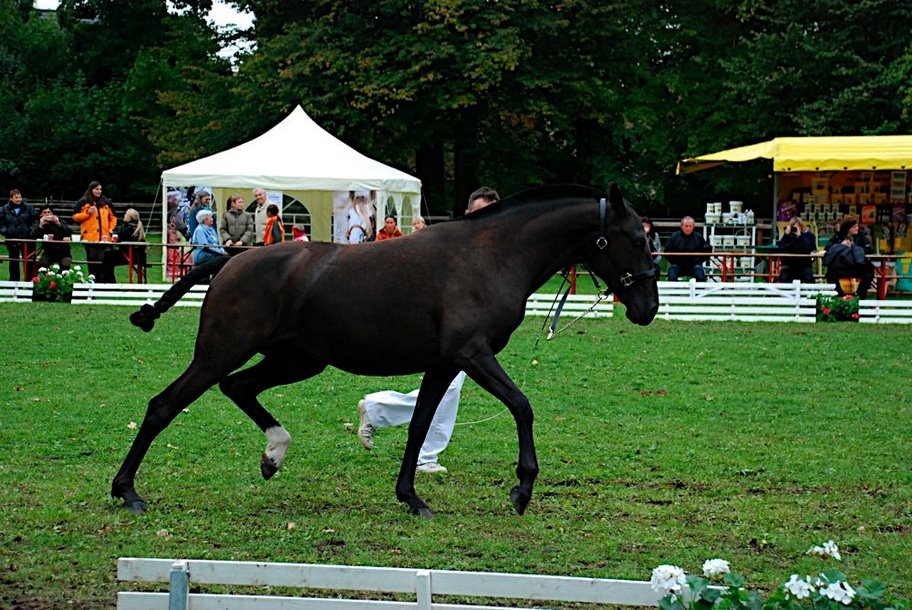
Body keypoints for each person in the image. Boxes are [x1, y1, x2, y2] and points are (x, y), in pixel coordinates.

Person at [357, 186, 499, 474]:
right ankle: (419, 450)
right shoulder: (454, 244)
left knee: (449, 387)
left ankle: (379, 412)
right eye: (480, 214)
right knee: (447, 388)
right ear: (468, 214)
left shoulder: (488, 249)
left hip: (462, 330)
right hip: (433, 327)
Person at [72, 181, 117, 282]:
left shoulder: (106, 202)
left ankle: (103, 282)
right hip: (90, 237)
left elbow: (113, 217)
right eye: (96, 189)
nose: (99, 191)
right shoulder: (83, 202)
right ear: (91, 190)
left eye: (100, 189)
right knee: (92, 261)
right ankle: (93, 281)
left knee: (103, 260)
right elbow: (75, 217)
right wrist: (87, 213)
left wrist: (111, 228)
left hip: (104, 238)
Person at [824, 216, 875, 298]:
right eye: (854, 227)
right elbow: (828, 248)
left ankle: (860, 297)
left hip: (857, 266)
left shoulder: (861, 237)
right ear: (848, 228)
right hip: (840, 267)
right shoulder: (837, 237)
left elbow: (869, 250)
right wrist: (841, 246)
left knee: (868, 273)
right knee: (830, 274)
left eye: (857, 226)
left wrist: (854, 247)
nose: (857, 228)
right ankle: (839, 296)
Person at [0, 189, 39, 281]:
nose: (18, 199)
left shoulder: (29, 208)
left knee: (29, 261)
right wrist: (7, 231)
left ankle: (29, 281)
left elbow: (35, 220)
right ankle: (14, 281)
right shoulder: (4, 209)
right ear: (11, 198)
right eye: (16, 197)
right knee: (13, 261)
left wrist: (30, 232)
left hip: (27, 239)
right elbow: (1, 223)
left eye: (20, 197)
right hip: (12, 238)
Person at [101, 208, 147, 282]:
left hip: (131, 255)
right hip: (136, 255)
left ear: (130, 217)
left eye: (126, 214)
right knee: (108, 256)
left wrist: (114, 237)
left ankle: (109, 282)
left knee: (108, 256)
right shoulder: (133, 227)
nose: (124, 216)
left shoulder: (129, 228)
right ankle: (109, 281)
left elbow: (123, 239)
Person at [664, 215, 710, 281]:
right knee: (672, 276)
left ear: (693, 226)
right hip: (677, 265)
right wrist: (674, 261)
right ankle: (673, 291)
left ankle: (700, 291)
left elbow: (706, 252)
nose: (688, 228)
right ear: (681, 226)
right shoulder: (674, 237)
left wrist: (699, 261)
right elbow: (667, 251)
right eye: (686, 226)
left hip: (694, 265)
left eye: (690, 226)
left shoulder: (699, 237)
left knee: (700, 276)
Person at [30, 204, 72, 271]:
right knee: (42, 265)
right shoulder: (39, 223)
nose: (47, 214)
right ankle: (45, 279)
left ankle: (61, 279)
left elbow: (69, 232)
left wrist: (58, 224)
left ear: (52, 214)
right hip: (48, 252)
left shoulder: (60, 221)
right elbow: (32, 235)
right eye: (44, 212)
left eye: (49, 212)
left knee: (65, 265)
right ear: (41, 215)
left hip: (64, 252)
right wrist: (40, 226)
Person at [777, 216, 817, 284]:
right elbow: (781, 248)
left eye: (798, 226)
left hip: (804, 265)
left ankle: (810, 294)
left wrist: (800, 236)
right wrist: (786, 235)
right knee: (784, 276)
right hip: (789, 265)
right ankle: (785, 294)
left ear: (801, 227)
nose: (795, 228)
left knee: (809, 277)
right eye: (793, 226)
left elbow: (809, 248)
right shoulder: (787, 237)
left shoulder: (809, 236)